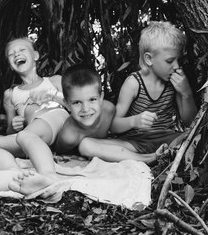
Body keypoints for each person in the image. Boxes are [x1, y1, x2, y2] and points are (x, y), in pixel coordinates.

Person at [78, 21, 197, 164]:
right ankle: (148, 158)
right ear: (149, 59)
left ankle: (165, 154)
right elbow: (114, 125)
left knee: (195, 136)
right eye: (170, 61)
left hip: (168, 139)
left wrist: (186, 94)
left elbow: (191, 122)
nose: (176, 66)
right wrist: (135, 121)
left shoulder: (175, 81)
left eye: (178, 60)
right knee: (86, 145)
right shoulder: (134, 83)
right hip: (135, 143)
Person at [0, 37, 69, 191]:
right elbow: (12, 132)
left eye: (22, 50)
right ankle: (15, 174)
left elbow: (76, 105)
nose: (17, 54)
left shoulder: (54, 81)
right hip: (30, 133)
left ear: (36, 56)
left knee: (26, 135)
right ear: (10, 65)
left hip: (55, 120)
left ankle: (49, 177)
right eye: (11, 54)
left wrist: (52, 95)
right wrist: (14, 124)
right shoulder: (10, 94)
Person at [9, 64, 116, 195]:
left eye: (92, 99)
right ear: (67, 105)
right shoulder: (68, 136)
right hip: (47, 134)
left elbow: (118, 126)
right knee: (23, 137)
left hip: (53, 124)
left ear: (101, 97)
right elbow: (59, 152)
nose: (86, 109)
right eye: (77, 103)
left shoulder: (109, 109)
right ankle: (45, 177)